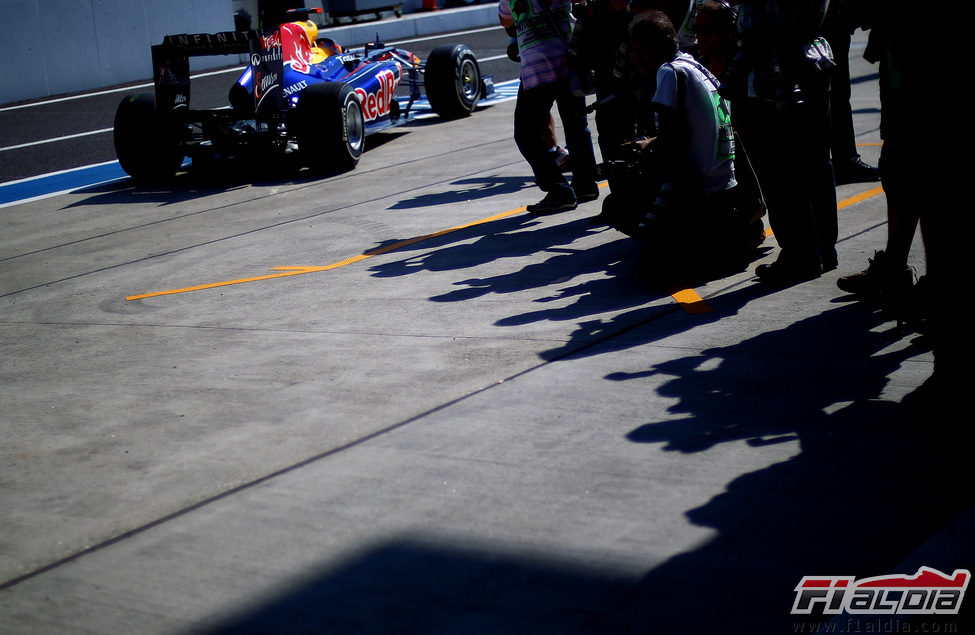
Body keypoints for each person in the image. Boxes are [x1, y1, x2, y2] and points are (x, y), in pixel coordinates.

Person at [606, 11, 762, 278]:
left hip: (705, 197)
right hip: (729, 191)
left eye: (636, 49)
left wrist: (645, 153)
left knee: (618, 207)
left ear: (650, 48)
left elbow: (672, 146)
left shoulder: (669, 73)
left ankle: (694, 244)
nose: (634, 58)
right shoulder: (694, 66)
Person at [727, 0, 838, 285]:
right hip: (811, 66)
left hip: (778, 79)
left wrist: (735, 80)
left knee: (782, 176)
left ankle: (800, 257)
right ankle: (823, 250)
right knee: (815, 168)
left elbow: (758, 33)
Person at [500, 0, 599, 214]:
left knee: (526, 135)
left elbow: (505, 19)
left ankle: (559, 190)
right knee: (576, 125)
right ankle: (586, 185)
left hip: (538, 67)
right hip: (567, 61)